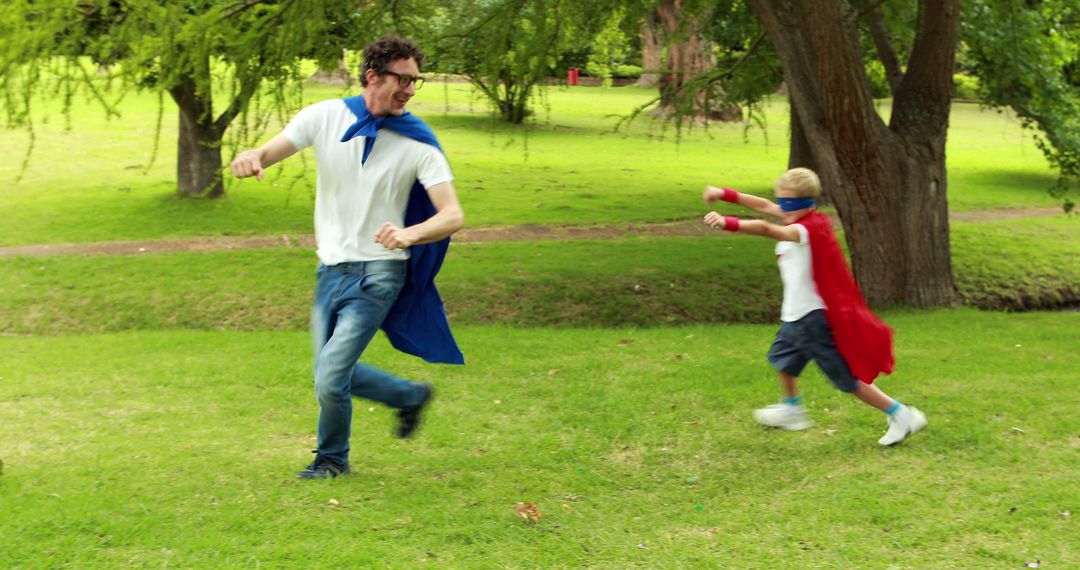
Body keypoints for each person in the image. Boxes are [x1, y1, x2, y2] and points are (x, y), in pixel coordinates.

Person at [230, 35, 465, 478]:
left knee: (331, 374)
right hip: (330, 269)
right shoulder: (324, 117)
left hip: (379, 272)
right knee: (331, 372)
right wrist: (251, 157)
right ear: (373, 75)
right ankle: (409, 396)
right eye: (404, 79)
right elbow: (269, 151)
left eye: (418, 81)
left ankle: (331, 460)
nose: (411, 90)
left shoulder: (419, 142)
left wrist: (409, 233)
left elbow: (452, 215)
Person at [701, 168, 926, 445]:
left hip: (811, 319)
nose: (781, 208)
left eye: (787, 203)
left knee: (844, 378)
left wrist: (728, 223)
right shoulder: (799, 216)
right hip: (795, 317)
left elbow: (765, 228)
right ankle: (792, 408)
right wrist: (723, 194)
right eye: (781, 201)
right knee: (782, 360)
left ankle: (900, 413)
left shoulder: (805, 228)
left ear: (805, 204)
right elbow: (763, 205)